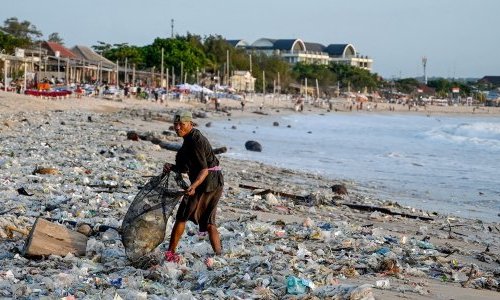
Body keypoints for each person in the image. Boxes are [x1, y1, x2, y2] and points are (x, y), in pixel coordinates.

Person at [163, 110, 224, 262]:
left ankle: (170, 253)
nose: (177, 127)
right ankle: (219, 255)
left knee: (183, 215)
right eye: (175, 124)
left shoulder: (196, 140)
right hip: (213, 181)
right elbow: (184, 168)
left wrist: (194, 186)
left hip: (208, 181)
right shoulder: (187, 141)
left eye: (181, 124)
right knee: (208, 220)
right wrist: (171, 167)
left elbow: (204, 169)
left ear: (190, 124)